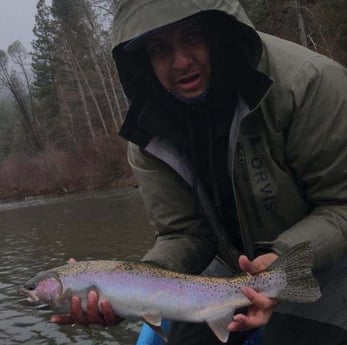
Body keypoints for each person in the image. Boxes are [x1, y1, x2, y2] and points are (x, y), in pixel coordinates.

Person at [52, 1, 347, 344]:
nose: (180, 62)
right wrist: (130, 285)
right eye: (159, 48)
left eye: (191, 36)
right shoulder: (148, 134)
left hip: (326, 263)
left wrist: (279, 262)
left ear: (218, 31)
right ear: (141, 59)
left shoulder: (309, 83)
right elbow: (185, 234)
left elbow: (341, 206)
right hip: (222, 277)